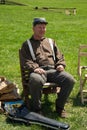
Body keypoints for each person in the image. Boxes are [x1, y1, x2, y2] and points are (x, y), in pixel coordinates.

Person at [20, 18, 75, 118]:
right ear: (33, 29)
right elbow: (25, 60)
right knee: (35, 80)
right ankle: (37, 109)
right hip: (38, 71)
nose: (42, 30)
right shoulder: (27, 44)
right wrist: (35, 68)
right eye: (39, 27)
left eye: (44, 28)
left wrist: (60, 65)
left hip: (53, 70)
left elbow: (60, 56)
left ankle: (60, 107)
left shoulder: (51, 41)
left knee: (69, 80)